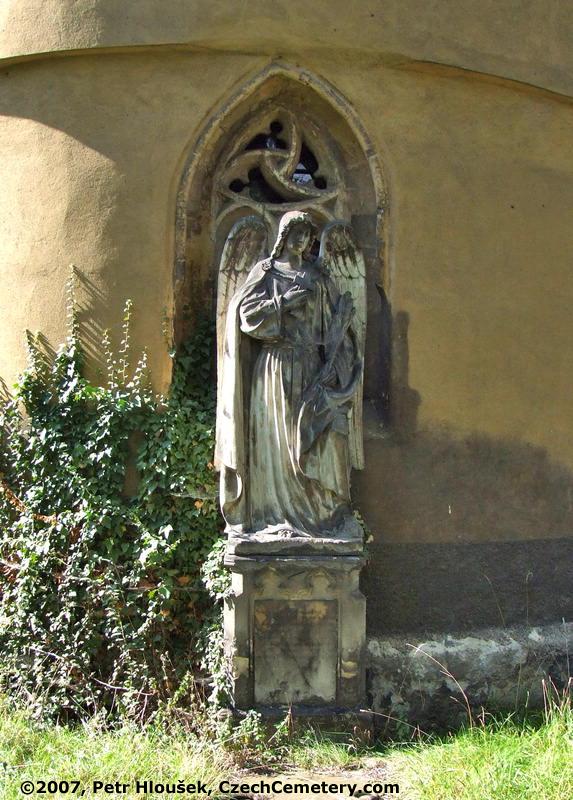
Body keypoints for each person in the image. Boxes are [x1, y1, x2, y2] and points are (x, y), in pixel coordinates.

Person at [216, 211, 361, 541]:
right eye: (296, 232)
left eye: (307, 234)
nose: (302, 239)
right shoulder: (265, 272)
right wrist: (283, 302)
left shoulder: (317, 277)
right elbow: (245, 317)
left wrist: (339, 347)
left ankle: (314, 517)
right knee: (276, 443)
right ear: (283, 235)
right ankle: (271, 515)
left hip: (309, 367)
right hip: (273, 368)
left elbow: (334, 324)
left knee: (307, 440)